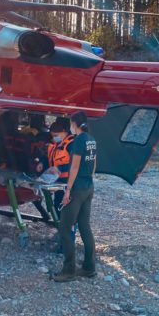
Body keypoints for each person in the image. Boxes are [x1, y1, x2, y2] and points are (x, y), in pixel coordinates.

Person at [53, 110, 97, 282]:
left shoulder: (79, 140)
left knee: (65, 227)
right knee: (85, 226)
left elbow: (74, 167)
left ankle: (68, 269)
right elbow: (94, 165)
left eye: (71, 124)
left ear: (74, 124)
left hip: (77, 187)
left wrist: (68, 190)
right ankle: (89, 267)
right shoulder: (92, 140)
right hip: (88, 186)